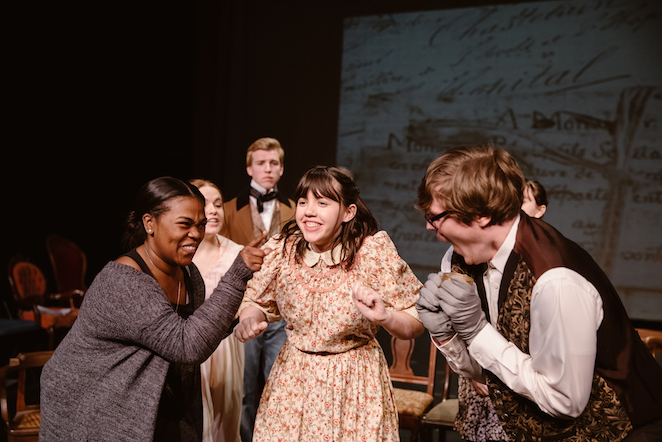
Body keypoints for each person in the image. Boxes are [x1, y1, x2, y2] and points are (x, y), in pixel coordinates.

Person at [415, 144, 662, 441]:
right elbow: (488, 375)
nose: (431, 228)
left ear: (480, 215)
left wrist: (478, 333)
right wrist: (447, 337)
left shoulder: (556, 281)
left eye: (435, 217)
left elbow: (565, 401)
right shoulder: (457, 260)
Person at [39, 176, 270, 442]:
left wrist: (236, 321)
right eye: (185, 224)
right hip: (93, 406)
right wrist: (238, 273)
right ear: (149, 223)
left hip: (146, 398)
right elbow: (186, 344)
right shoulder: (124, 281)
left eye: (201, 225)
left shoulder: (187, 273)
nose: (196, 234)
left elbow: (188, 332)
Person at [233, 165, 425, 441]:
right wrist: (249, 318)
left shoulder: (371, 253)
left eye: (322, 203)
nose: (309, 211)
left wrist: (386, 318)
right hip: (293, 380)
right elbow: (256, 300)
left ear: (348, 212)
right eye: (303, 202)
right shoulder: (282, 250)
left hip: (354, 382)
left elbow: (414, 323)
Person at [453, 179, 550, 441]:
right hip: (481, 370)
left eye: (523, 202)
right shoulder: (470, 255)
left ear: (540, 210)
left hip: (526, 378)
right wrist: (475, 370)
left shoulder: (546, 262)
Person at [220, 137, 295, 442]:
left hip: (282, 310)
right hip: (242, 308)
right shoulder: (227, 210)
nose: (268, 169)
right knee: (244, 387)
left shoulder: (295, 210)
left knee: (278, 385)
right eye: (261, 163)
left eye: (274, 163)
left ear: (281, 169)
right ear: (249, 167)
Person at [190, 179, 245, 442]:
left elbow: (249, 299)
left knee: (225, 419)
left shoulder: (237, 253)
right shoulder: (179, 253)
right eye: (204, 204)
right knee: (196, 420)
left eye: (218, 204)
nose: (213, 211)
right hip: (190, 343)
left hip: (225, 349)